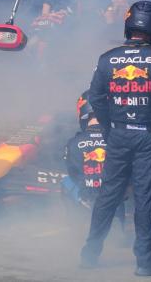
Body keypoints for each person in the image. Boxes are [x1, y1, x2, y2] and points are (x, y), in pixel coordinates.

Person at [81, 1, 151, 276]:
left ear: (129, 24)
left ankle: (90, 253)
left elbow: (95, 97)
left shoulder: (107, 58)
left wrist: (107, 125)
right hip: (148, 137)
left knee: (108, 195)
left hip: (118, 134)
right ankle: (145, 260)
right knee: (143, 198)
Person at [62, 92, 124, 229]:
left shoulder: (73, 143)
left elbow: (72, 172)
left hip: (88, 198)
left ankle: (75, 226)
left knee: (65, 181)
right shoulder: (119, 139)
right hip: (113, 197)